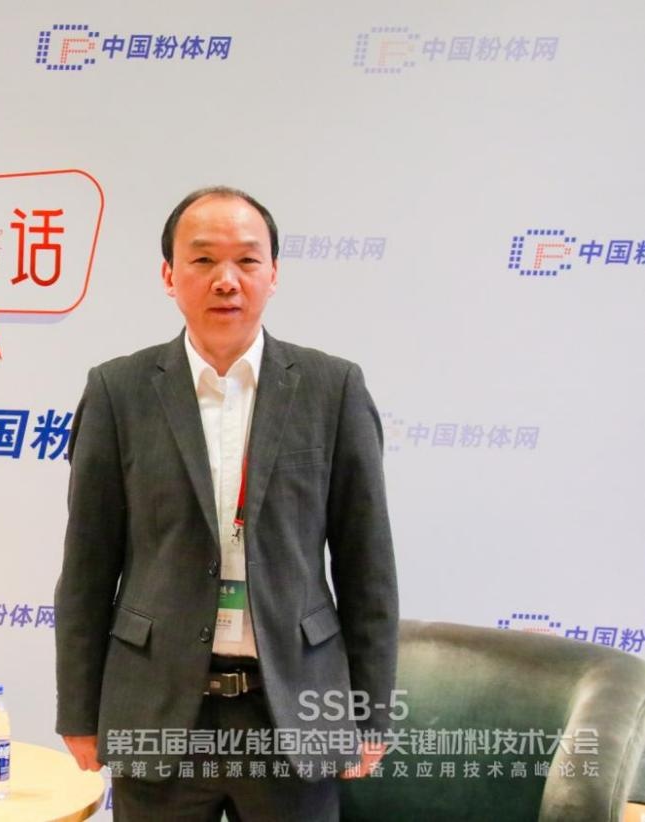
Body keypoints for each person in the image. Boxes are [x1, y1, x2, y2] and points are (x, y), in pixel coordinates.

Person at [53, 186, 399, 821]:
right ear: (169, 275)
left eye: (247, 260)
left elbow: (367, 566)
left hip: (292, 711)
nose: (226, 280)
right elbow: (87, 566)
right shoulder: (118, 391)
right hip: (158, 711)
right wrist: (79, 711)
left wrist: (371, 713)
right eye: (204, 259)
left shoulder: (333, 389)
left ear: (274, 274)